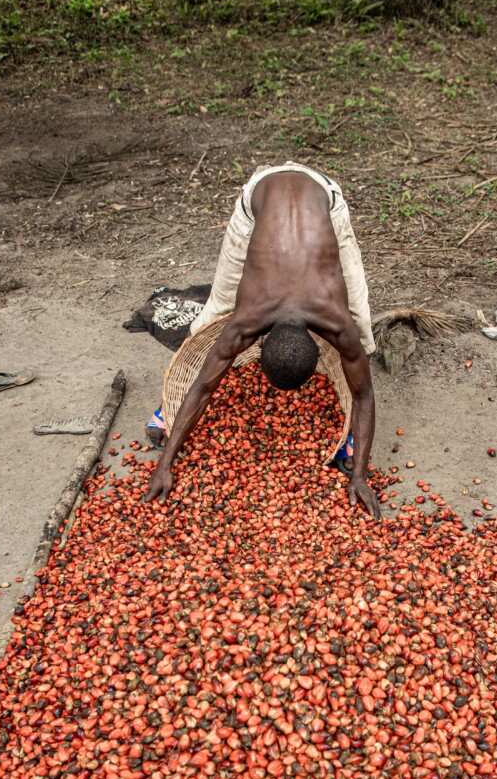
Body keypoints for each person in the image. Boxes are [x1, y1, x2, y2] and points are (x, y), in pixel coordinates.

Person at [145, 163, 379, 519]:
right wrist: (166, 462)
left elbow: (361, 395)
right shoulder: (246, 319)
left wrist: (362, 475)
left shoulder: (338, 321)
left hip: (324, 197)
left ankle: (351, 440)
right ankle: (168, 409)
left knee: (362, 323)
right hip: (258, 195)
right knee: (216, 310)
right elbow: (203, 390)